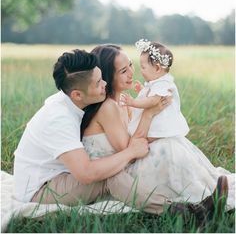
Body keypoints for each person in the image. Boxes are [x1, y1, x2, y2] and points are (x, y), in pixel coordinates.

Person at [13, 48, 228, 224]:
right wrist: (131, 152)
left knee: (110, 169)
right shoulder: (58, 118)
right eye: (98, 83)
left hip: (62, 172)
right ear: (77, 94)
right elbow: (86, 174)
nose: (105, 84)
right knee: (108, 176)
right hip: (40, 188)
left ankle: (191, 203)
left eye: (102, 77)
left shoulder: (74, 100)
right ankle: (187, 214)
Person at [81, 44, 234, 215]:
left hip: (127, 166)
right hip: (117, 176)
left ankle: (205, 191)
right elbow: (130, 153)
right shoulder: (108, 107)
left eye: (131, 64)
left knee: (172, 142)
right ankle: (200, 200)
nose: (132, 72)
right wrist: (149, 114)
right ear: (108, 76)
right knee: (167, 147)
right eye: (123, 71)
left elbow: (140, 138)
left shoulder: (124, 102)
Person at [123, 39, 189, 140]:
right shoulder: (158, 81)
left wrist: (133, 102)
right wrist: (143, 89)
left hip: (161, 125)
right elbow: (152, 94)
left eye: (143, 67)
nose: (141, 71)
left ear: (157, 68)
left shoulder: (163, 84)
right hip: (157, 121)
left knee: (152, 138)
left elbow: (152, 101)